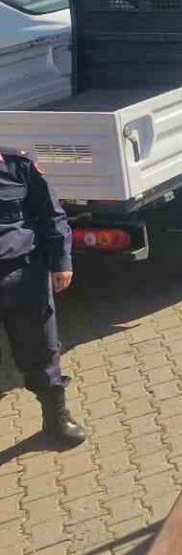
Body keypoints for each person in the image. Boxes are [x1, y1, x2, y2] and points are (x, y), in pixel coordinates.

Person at [0, 151, 86, 446]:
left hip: (23, 275)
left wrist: (62, 261)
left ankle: (56, 419)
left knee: (41, 349)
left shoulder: (19, 167)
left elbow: (52, 214)